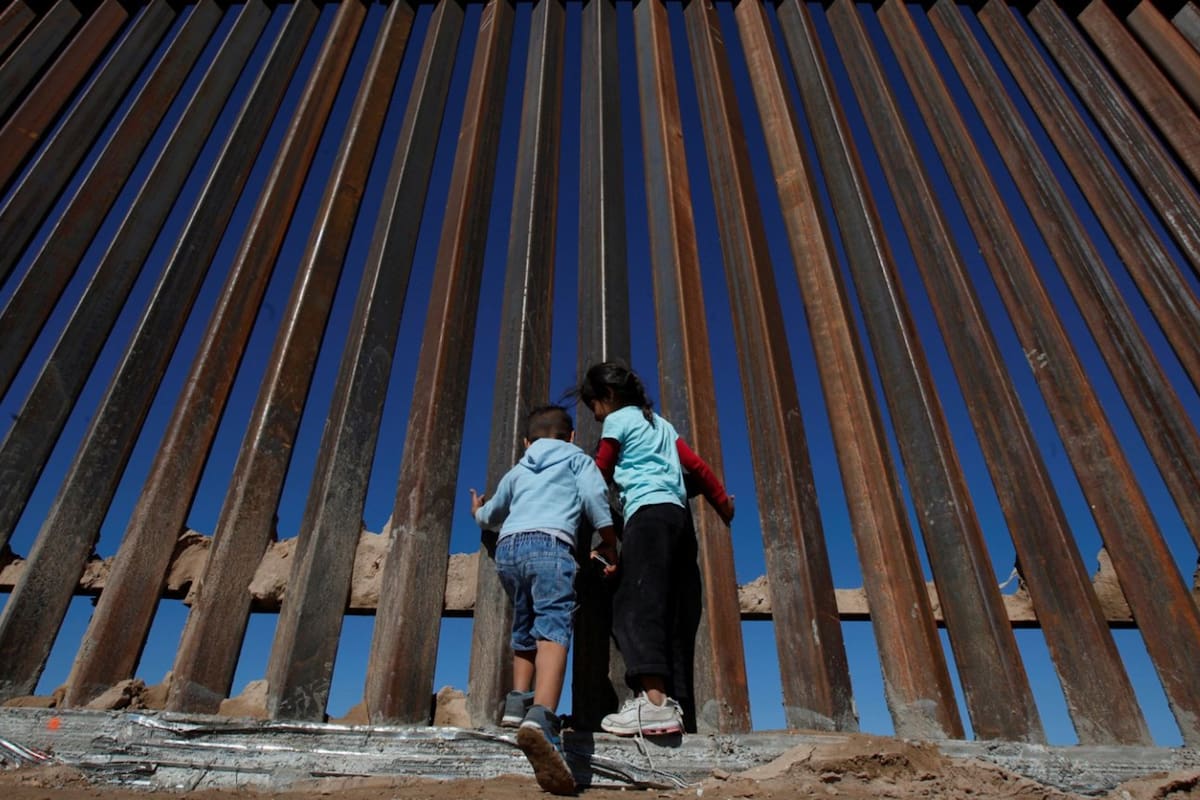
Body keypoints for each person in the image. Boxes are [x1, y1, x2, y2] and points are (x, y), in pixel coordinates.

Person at [575, 361, 734, 737]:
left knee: (634, 605)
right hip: (678, 521)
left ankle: (654, 703)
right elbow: (697, 467)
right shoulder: (660, 424)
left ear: (607, 397)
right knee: (671, 614)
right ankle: (677, 712)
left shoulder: (618, 420)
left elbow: (600, 471)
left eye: (594, 406)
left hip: (646, 517)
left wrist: (582, 505)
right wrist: (723, 504)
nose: (595, 416)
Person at [471, 404, 617, 794]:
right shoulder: (577, 459)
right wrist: (608, 536)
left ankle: (517, 705)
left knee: (525, 620)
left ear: (526, 442)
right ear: (572, 437)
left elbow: (492, 513)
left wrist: (477, 512)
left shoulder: (518, 470)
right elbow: (594, 495)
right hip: (551, 545)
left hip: (508, 549)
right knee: (553, 626)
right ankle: (544, 718)